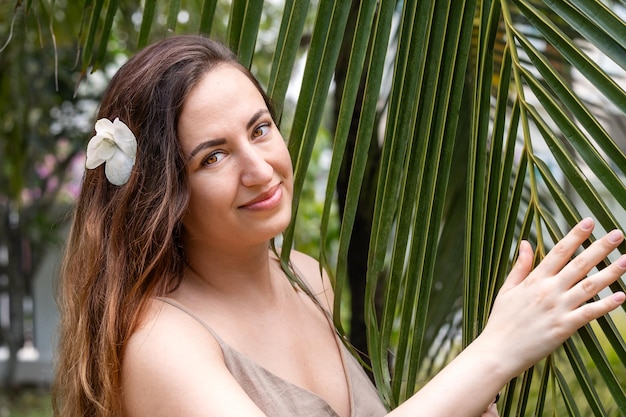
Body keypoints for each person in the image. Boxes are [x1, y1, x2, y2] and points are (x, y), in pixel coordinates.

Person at [52, 35, 625, 417]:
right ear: (163, 192)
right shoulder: (160, 342)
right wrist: (495, 352)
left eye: (260, 129)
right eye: (213, 156)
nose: (260, 169)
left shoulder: (308, 280)